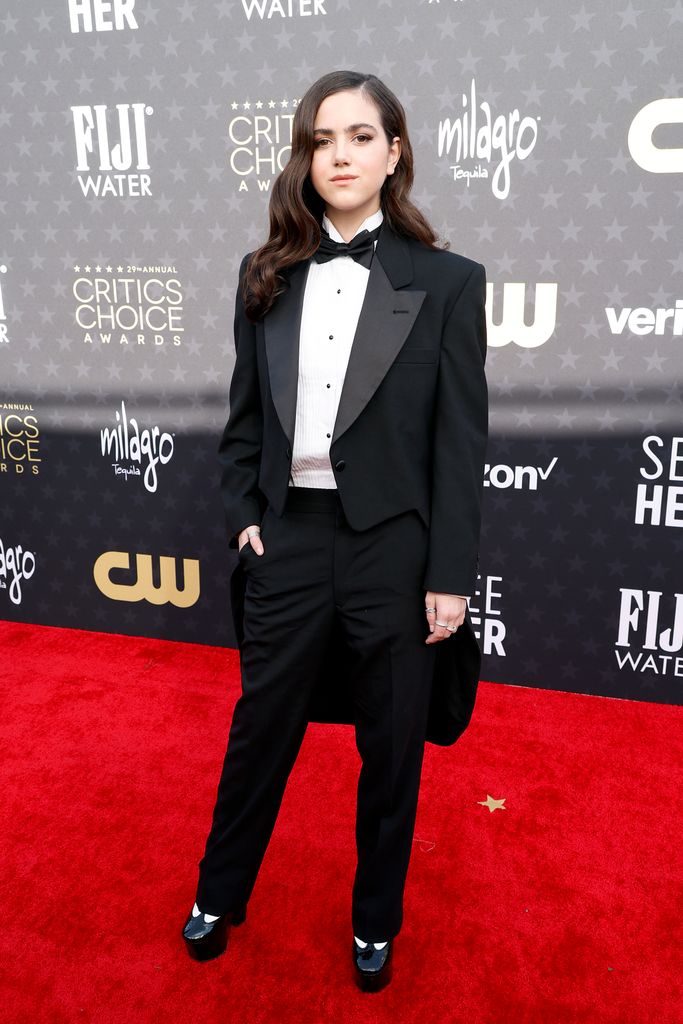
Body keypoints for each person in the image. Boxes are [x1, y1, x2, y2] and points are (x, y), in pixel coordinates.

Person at [182, 69, 488, 992]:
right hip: (291, 539)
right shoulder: (264, 272)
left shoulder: (447, 283)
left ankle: (374, 920)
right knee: (258, 730)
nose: (340, 154)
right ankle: (216, 892)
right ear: (304, 159)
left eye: (360, 136)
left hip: (393, 548)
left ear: (394, 152)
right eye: (322, 139)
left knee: (390, 747)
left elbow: (458, 445)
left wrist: (448, 576)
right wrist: (244, 522)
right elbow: (242, 425)